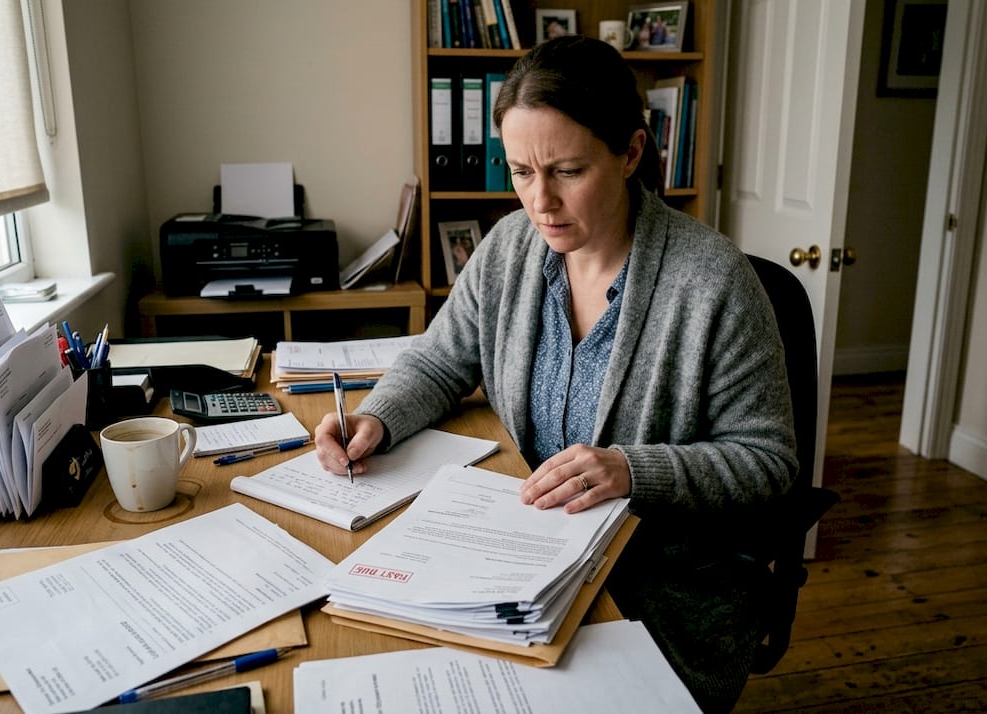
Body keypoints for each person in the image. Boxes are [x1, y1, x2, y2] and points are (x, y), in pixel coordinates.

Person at [314, 36, 796, 711]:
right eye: (520, 171)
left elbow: (768, 461)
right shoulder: (510, 247)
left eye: (568, 171)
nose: (540, 201)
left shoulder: (712, 282)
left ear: (629, 154)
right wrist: (377, 415)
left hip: (653, 594)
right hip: (520, 562)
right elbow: (440, 355)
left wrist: (632, 470)